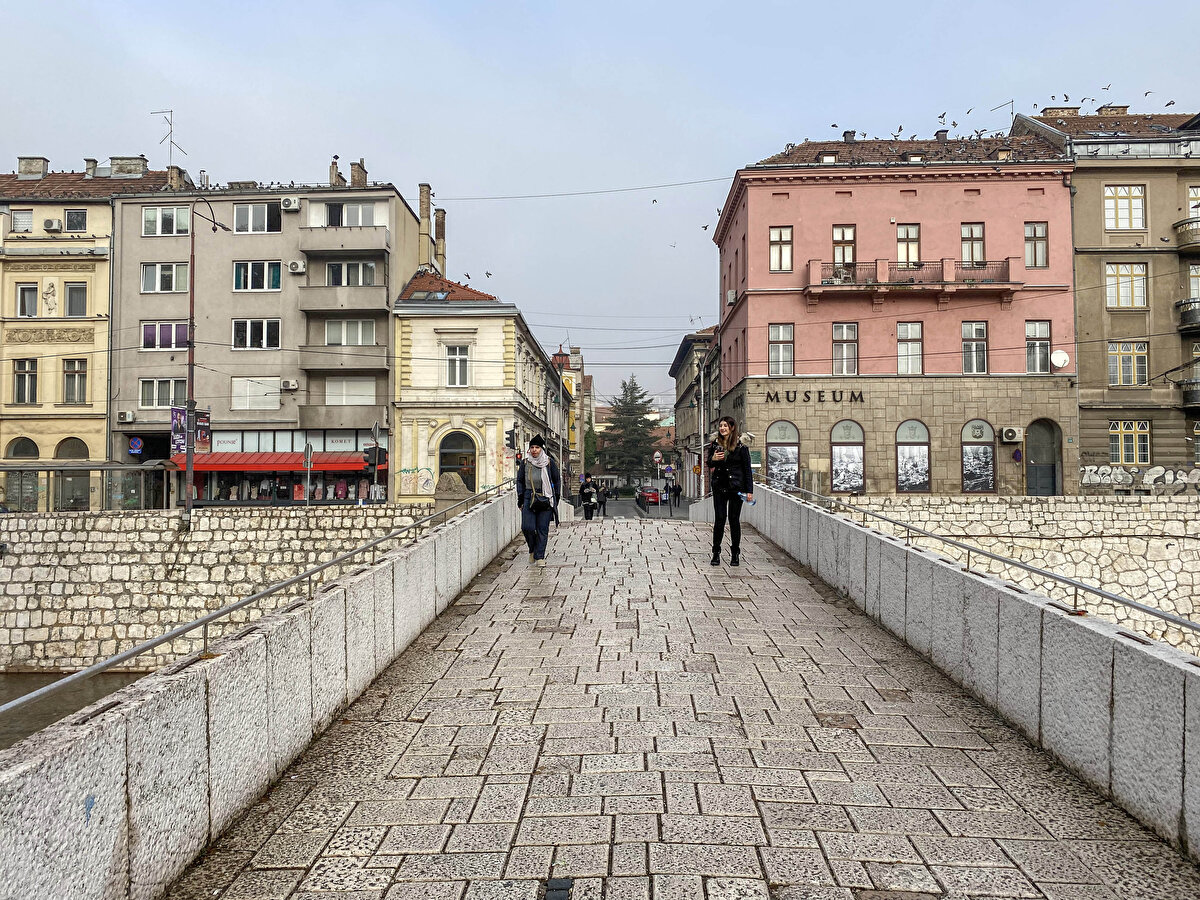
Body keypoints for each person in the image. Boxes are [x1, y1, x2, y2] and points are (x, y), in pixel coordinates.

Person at [706, 415, 753, 567]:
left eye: (725, 426)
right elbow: (709, 463)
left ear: (732, 428)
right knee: (720, 519)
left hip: (736, 488)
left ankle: (735, 553)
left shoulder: (741, 447)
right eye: (721, 426)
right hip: (719, 486)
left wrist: (749, 491)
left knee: (734, 520)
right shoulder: (714, 445)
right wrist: (714, 459)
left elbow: (747, 470)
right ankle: (716, 552)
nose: (722, 428)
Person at [516, 434, 561, 568]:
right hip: (529, 496)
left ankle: (540, 556)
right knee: (527, 527)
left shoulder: (548, 462)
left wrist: (556, 497)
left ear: (541, 449)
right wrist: (520, 498)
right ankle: (532, 549)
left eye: (537, 448)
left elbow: (557, 480)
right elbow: (519, 481)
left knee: (542, 529)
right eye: (532, 448)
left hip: (545, 497)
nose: (534, 450)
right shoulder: (525, 463)